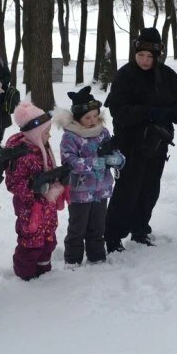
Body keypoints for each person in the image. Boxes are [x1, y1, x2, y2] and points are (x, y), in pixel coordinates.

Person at [104, 27, 177, 252]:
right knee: (126, 192)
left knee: (149, 190)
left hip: (157, 144)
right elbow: (119, 111)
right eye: (140, 55)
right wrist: (148, 112)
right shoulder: (124, 76)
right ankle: (113, 236)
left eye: (150, 56)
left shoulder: (168, 77)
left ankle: (140, 230)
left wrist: (164, 114)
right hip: (130, 144)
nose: (144, 60)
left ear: (158, 55)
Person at [56, 86, 124, 264]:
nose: (93, 120)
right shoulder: (70, 137)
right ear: (78, 118)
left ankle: (97, 257)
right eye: (87, 117)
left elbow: (115, 150)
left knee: (97, 227)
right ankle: (73, 260)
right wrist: (97, 162)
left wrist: (117, 159)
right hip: (80, 192)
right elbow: (70, 162)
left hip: (101, 190)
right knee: (77, 228)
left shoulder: (103, 132)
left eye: (95, 115)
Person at [4, 102, 67, 280]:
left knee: (48, 242)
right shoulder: (21, 154)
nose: (49, 135)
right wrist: (33, 186)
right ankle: (26, 278)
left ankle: (44, 273)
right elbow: (13, 183)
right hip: (30, 210)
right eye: (46, 132)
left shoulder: (42, 147)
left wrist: (60, 178)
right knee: (31, 245)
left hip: (48, 208)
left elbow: (49, 172)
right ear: (35, 134)